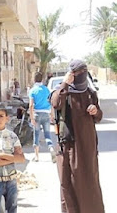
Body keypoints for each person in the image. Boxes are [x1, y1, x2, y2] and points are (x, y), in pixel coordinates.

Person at [50, 60, 104, 213]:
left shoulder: (90, 92)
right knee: (68, 183)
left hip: (88, 145)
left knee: (89, 182)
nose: (81, 75)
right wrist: (64, 84)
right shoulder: (62, 92)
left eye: (83, 72)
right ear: (71, 74)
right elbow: (55, 104)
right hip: (69, 145)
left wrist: (96, 111)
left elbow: (99, 117)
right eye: (77, 73)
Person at [29, 72, 56, 163]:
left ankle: (36, 156)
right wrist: (52, 115)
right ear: (42, 79)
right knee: (47, 134)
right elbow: (51, 103)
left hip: (37, 114)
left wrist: (31, 117)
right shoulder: (47, 90)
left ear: (34, 79)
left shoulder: (32, 90)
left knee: (36, 134)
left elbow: (31, 105)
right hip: (46, 114)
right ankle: (51, 148)